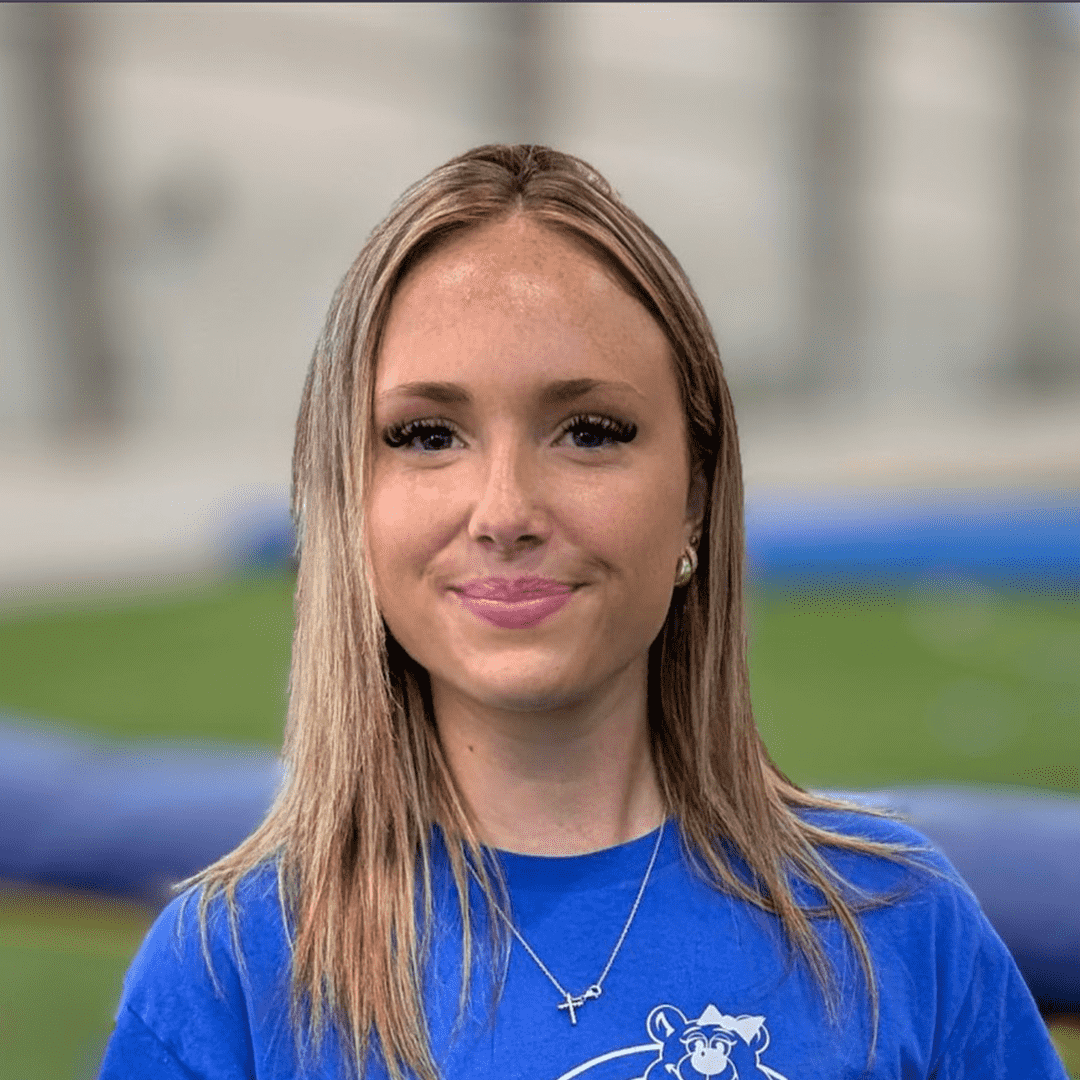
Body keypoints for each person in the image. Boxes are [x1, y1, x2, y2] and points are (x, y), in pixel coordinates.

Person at [98, 145, 1068, 1080]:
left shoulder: (898, 923)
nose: (505, 511)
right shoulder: (226, 975)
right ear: (349, 497)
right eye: (427, 435)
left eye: (590, 432)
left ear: (695, 495)